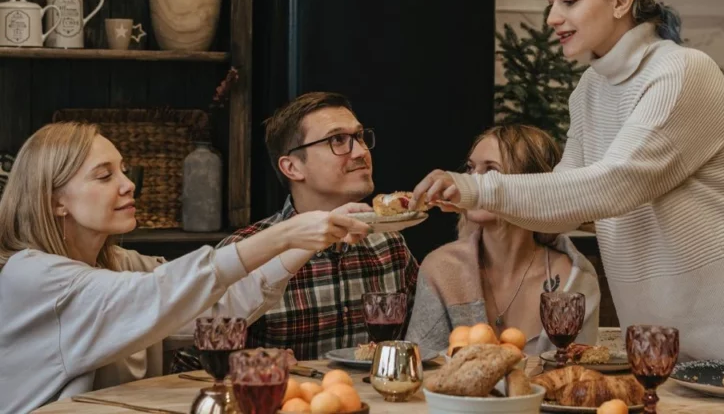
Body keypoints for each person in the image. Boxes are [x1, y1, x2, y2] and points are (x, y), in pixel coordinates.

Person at [410, 0, 724, 389]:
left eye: (569, 0)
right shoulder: (590, 92)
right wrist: (475, 198)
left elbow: (613, 184)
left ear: (621, 0)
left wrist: (477, 188)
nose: (553, 17)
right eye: (551, 1)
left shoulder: (681, 72)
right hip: (669, 344)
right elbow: (567, 202)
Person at [0, 122, 369, 413]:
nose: (129, 185)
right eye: (104, 175)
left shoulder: (119, 264)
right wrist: (283, 235)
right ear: (55, 201)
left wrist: (314, 237)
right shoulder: (32, 277)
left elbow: (213, 310)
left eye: (124, 171)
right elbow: (156, 294)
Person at [170, 91, 418, 368]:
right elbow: (189, 362)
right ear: (292, 167)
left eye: (359, 137)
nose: (361, 152)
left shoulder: (389, 245)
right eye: (337, 140)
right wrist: (251, 363)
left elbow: (421, 341)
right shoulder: (247, 250)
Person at [405, 124, 600, 356]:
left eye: (490, 171)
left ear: (532, 186)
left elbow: (580, 373)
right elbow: (421, 365)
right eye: (470, 169)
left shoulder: (574, 278)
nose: (472, 182)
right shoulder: (442, 268)